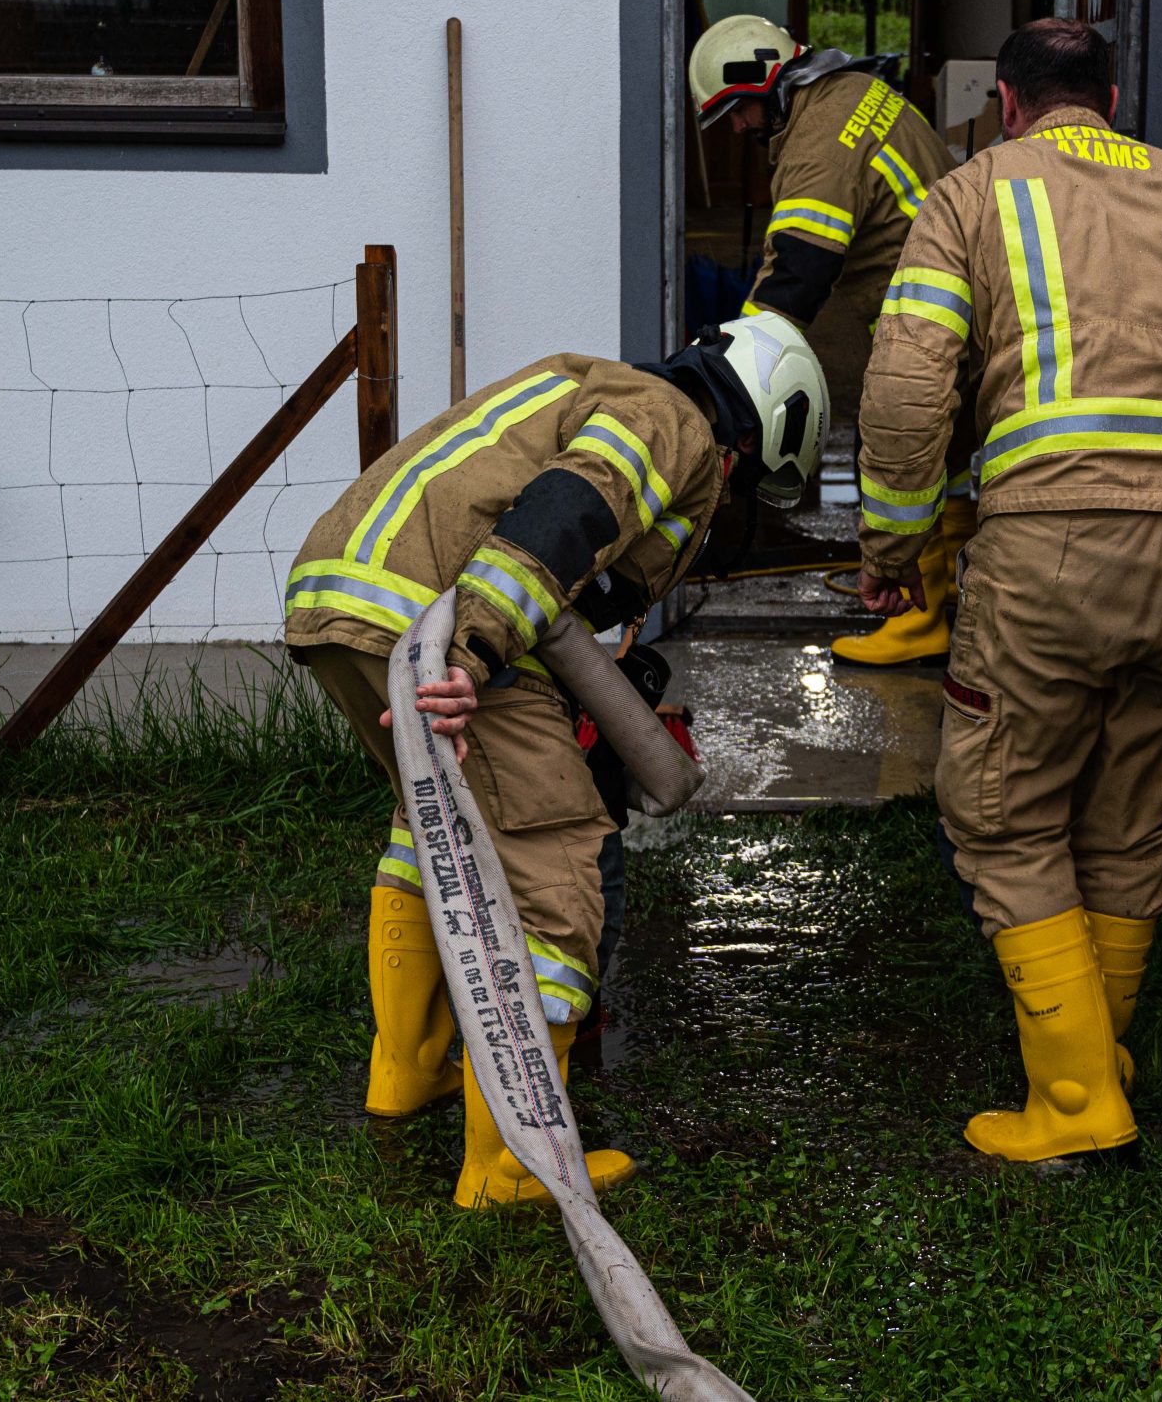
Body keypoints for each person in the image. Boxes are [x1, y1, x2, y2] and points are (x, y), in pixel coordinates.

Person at [855, 19, 1162, 1165]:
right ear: (1110, 95)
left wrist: (897, 544)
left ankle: (1071, 1104)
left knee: (1004, 811)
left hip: (1051, 546)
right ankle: (1097, 1055)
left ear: (1008, 104)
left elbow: (910, 391)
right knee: (1126, 810)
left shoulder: (970, 194)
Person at [284, 314, 827, 1206]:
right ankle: (512, 1162)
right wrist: (471, 657)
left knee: (432, 830)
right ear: (753, 436)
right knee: (561, 866)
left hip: (341, 599)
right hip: (436, 622)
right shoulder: (672, 422)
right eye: (739, 484)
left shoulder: (593, 382)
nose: (721, 498)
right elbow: (565, 519)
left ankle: (406, 1075)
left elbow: (576, 566)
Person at [688, 13, 970, 664]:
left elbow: (797, 271)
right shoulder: (852, 95)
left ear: (762, 81)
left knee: (898, 451)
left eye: (736, 113)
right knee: (948, 457)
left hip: (924, 325)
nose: (736, 130)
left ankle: (917, 622)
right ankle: (953, 586)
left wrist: (735, 376)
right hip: (956, 307)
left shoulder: (818, 142)